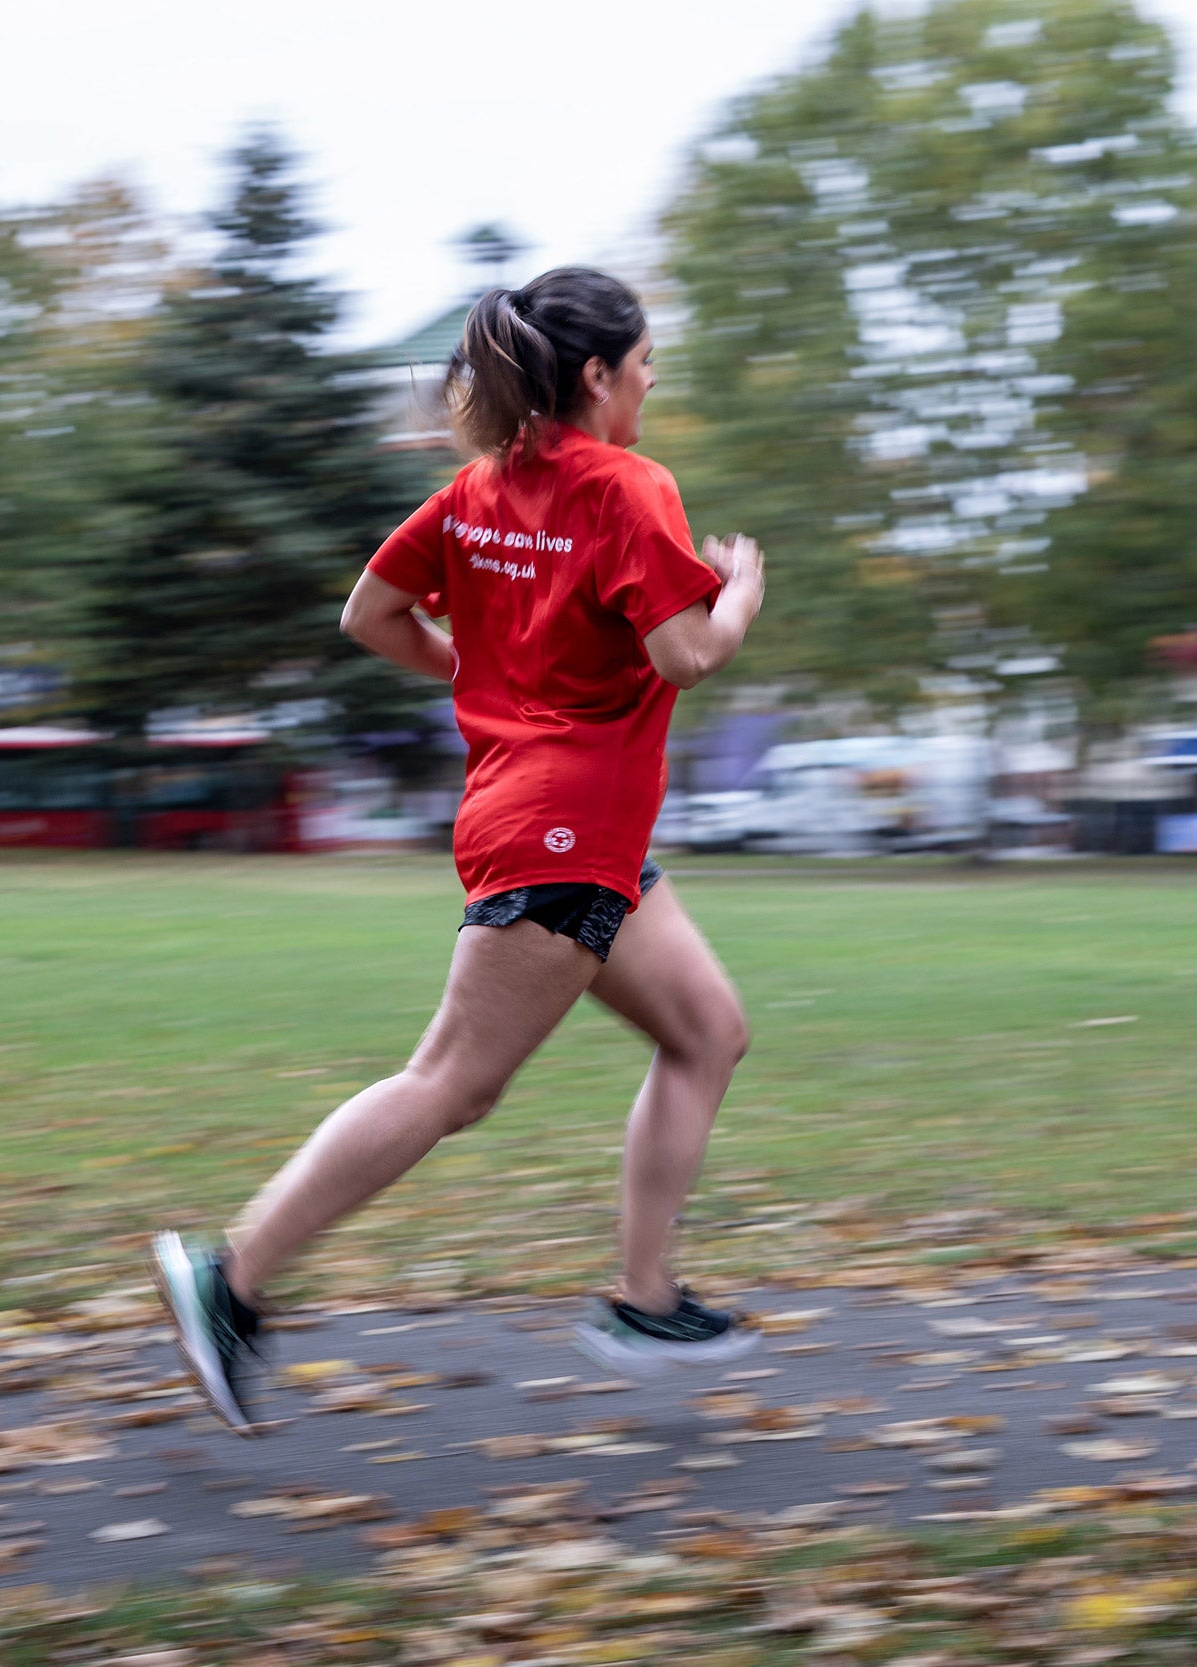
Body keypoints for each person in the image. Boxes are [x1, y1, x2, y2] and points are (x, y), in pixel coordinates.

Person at [150, 267, 768, 1434]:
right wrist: (737, 593)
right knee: (452, 1081)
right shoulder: (633, 487)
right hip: (564, 830)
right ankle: (231, 1279)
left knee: (705, 1030)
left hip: (554, 819)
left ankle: (644, 1298)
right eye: (643, 370)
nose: (648, 388)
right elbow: (686, 655)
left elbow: (369, 615)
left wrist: (481, 676)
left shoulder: (477, 488)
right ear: (595, 375)